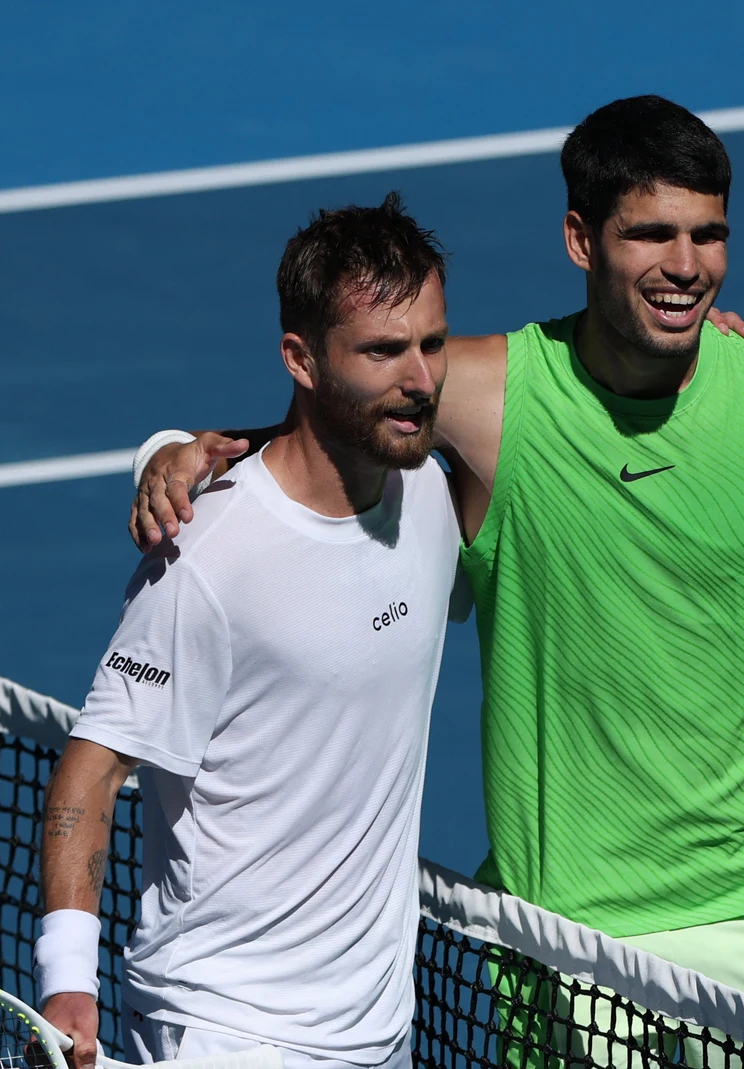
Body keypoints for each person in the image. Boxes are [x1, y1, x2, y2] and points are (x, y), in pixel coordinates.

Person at [133, 96, 744, 1039]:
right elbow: (320, 429)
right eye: (651, 235)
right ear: (581, 239)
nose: (685, 267)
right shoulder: (487, 398)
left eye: (707, 236)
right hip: (570, 943)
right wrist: (176, 450)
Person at [37, 195, 460, 1067]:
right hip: (229, 1027)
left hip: (376, 1032)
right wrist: (66, 976)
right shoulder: (206, 557)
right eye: (383, 350)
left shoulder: (430, 492)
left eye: (432, 342)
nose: (419, 377)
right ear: (300, 359)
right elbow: (97, 763)